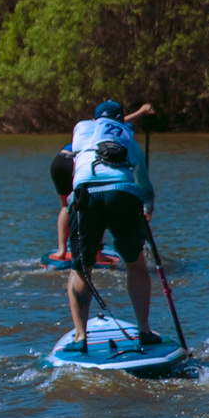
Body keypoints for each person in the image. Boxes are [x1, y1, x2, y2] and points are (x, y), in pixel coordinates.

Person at [64, 100, 161, 350]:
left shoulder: (83, 131)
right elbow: (146, 188)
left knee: (82, 267)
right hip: (123, 195)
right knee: (135, 263)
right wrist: (147, 210)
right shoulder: (130, 142)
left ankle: (80, 338)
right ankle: (145, 330)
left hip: (87, 195)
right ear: (122, 120)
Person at [53, 100, 156, 260]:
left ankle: (62, 250)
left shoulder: (87, 126)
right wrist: (147, 208)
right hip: (90, 168)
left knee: (68, 205)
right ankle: (98, 253)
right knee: (101, 194)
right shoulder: (121, 135)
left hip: (60, 161)